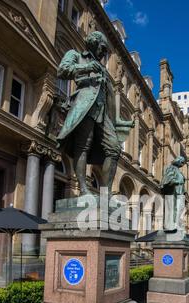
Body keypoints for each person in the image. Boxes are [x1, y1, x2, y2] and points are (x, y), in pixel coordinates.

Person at [56, 31, 133, 195]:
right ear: (93, 42)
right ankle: (83, 189)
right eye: (103, 48)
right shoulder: (76, 56)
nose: (104, 53)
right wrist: (86, 67)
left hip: (102, 113)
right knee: (83, 146)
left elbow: (110, 99)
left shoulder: (104, 71)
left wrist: (119, 121)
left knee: (114, 149)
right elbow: (62, 70)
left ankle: (105, 194)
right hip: (85, 107)